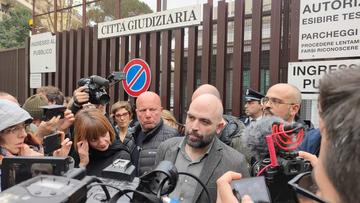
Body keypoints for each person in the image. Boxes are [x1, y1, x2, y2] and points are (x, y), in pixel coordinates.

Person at [216, 68, 360, 203]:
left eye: (276, 101)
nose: (267, 105)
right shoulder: (257, 142)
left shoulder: (312, 142)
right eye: (266, 100)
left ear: (294, 109)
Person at [155, 94, 249, 203]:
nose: (194, 127)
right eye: (191, 117)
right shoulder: (166, 148)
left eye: (204, 122)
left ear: (219, 127)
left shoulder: (235, 162)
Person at [128, 91, 178, 176]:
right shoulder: (129, 135)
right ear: (136, 113)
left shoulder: (171, 137)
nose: (148, 115)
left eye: (152, 109)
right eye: (143, 110)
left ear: (161, 111)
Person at [73, 108, 130, 176]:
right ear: (83, 140)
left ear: (109, 130)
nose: (102, 143)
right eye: (94, 139)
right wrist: (82, 164)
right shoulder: (78, 156)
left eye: (104, 135)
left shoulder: (121, 156)